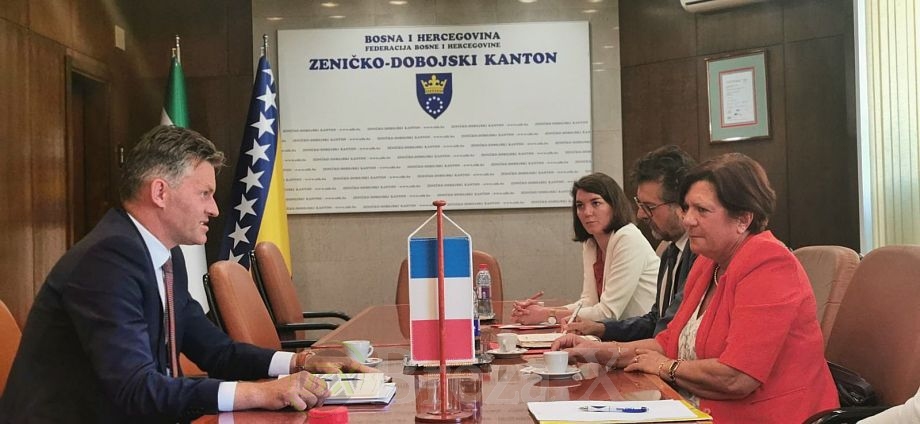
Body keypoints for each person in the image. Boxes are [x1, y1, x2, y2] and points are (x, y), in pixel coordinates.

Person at [0, 126, 375, 423]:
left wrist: (299, 363)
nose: (214, 209)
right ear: (160, 192)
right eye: (204, 193)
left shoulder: (165, 256)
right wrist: (259, 392)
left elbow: (216, 351)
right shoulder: (106, 260)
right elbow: (135, 390)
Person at [552, 153, 838, 423]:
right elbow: (668, 343)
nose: (687, 219)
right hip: (692, 407)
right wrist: (599, 351)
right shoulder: (707, 262)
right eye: (687, 207)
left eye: (701, 210)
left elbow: (737, 377)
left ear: (743, 219)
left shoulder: (769, 264)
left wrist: (666, 367)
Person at [564, 146, 697, 341]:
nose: (640, 214)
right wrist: (599, 329)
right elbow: (655, 321)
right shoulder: (671, 252)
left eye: (649, 207)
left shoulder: (701, 257)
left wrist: (613, 349)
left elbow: (670, 335)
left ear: (682, 205)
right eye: (639, 204)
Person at [512, 172, 658, 324]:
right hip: (615, 331)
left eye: (596, 203)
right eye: (580, 206)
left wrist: (546, 314)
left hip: (644, 332)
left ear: (614, 206)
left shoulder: (628, 238)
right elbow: (588, 302)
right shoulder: (591, 243)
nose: (587, 212)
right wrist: (537, 312)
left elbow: (608, 313)